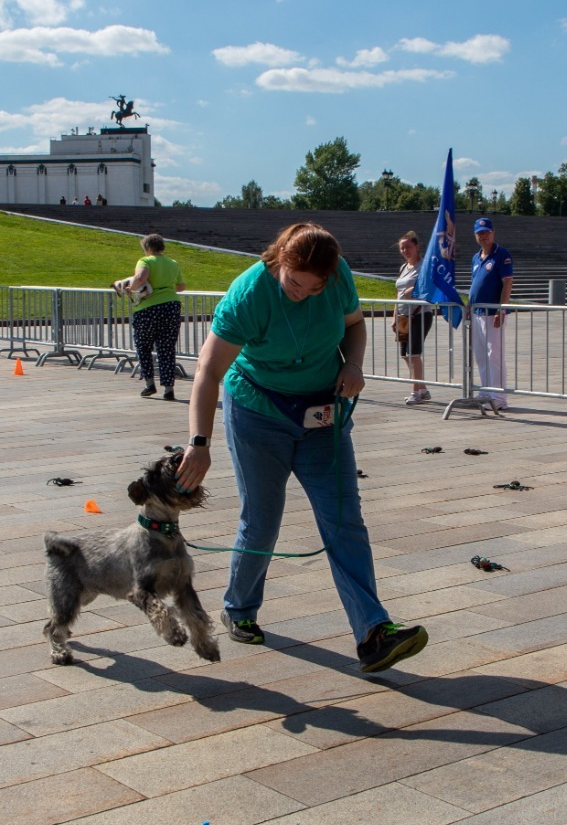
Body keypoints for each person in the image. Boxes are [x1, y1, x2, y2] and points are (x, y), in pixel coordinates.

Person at [175, 222, 427, 674]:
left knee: (345, 521)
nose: (302, 293)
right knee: (262, 521)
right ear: (279, 260)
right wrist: (199, 444)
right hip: (258, 413)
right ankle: (239, 608)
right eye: (293, 282)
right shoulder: (249, 293)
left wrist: (353, 364)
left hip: (322, 416)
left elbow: (354, 326)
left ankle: (373, 632)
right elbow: (207, 372)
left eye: (314, 288)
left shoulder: (339, 277)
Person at [119, 233, 186, 401]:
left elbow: (141, 277)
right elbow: (181, 286)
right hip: (171, 306)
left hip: (148, 309)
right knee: (167, 348)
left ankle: (149, 384)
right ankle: (168, 388)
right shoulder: (173, 263)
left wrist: (130, 288)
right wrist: (165, 287)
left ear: (147, 247)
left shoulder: (145, 261)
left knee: (143, 345)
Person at [468, 217, 514, 410]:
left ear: (493, 233)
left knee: (494, 354)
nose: (483, 236)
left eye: (486, 232)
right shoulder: (476, 258)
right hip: (477, 311)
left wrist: (501, 309)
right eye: (480, 233)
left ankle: (499, 396)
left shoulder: (501, 254)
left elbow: (507, 283)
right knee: (480, 354)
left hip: (492, 312)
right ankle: (486, 390)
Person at [394, 230, 435, 405]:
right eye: (402, 248)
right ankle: (423, 388)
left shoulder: (424, 267)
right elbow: (398, 293)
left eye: (408, 247)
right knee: (405, 354)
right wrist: (395, 316)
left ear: (417, 247)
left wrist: (416, 291)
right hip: (404, 315)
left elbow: (430, 289)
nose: (405, 250)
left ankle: (415, 392)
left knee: (414, 353)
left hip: (419, 314)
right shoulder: (404, 267)